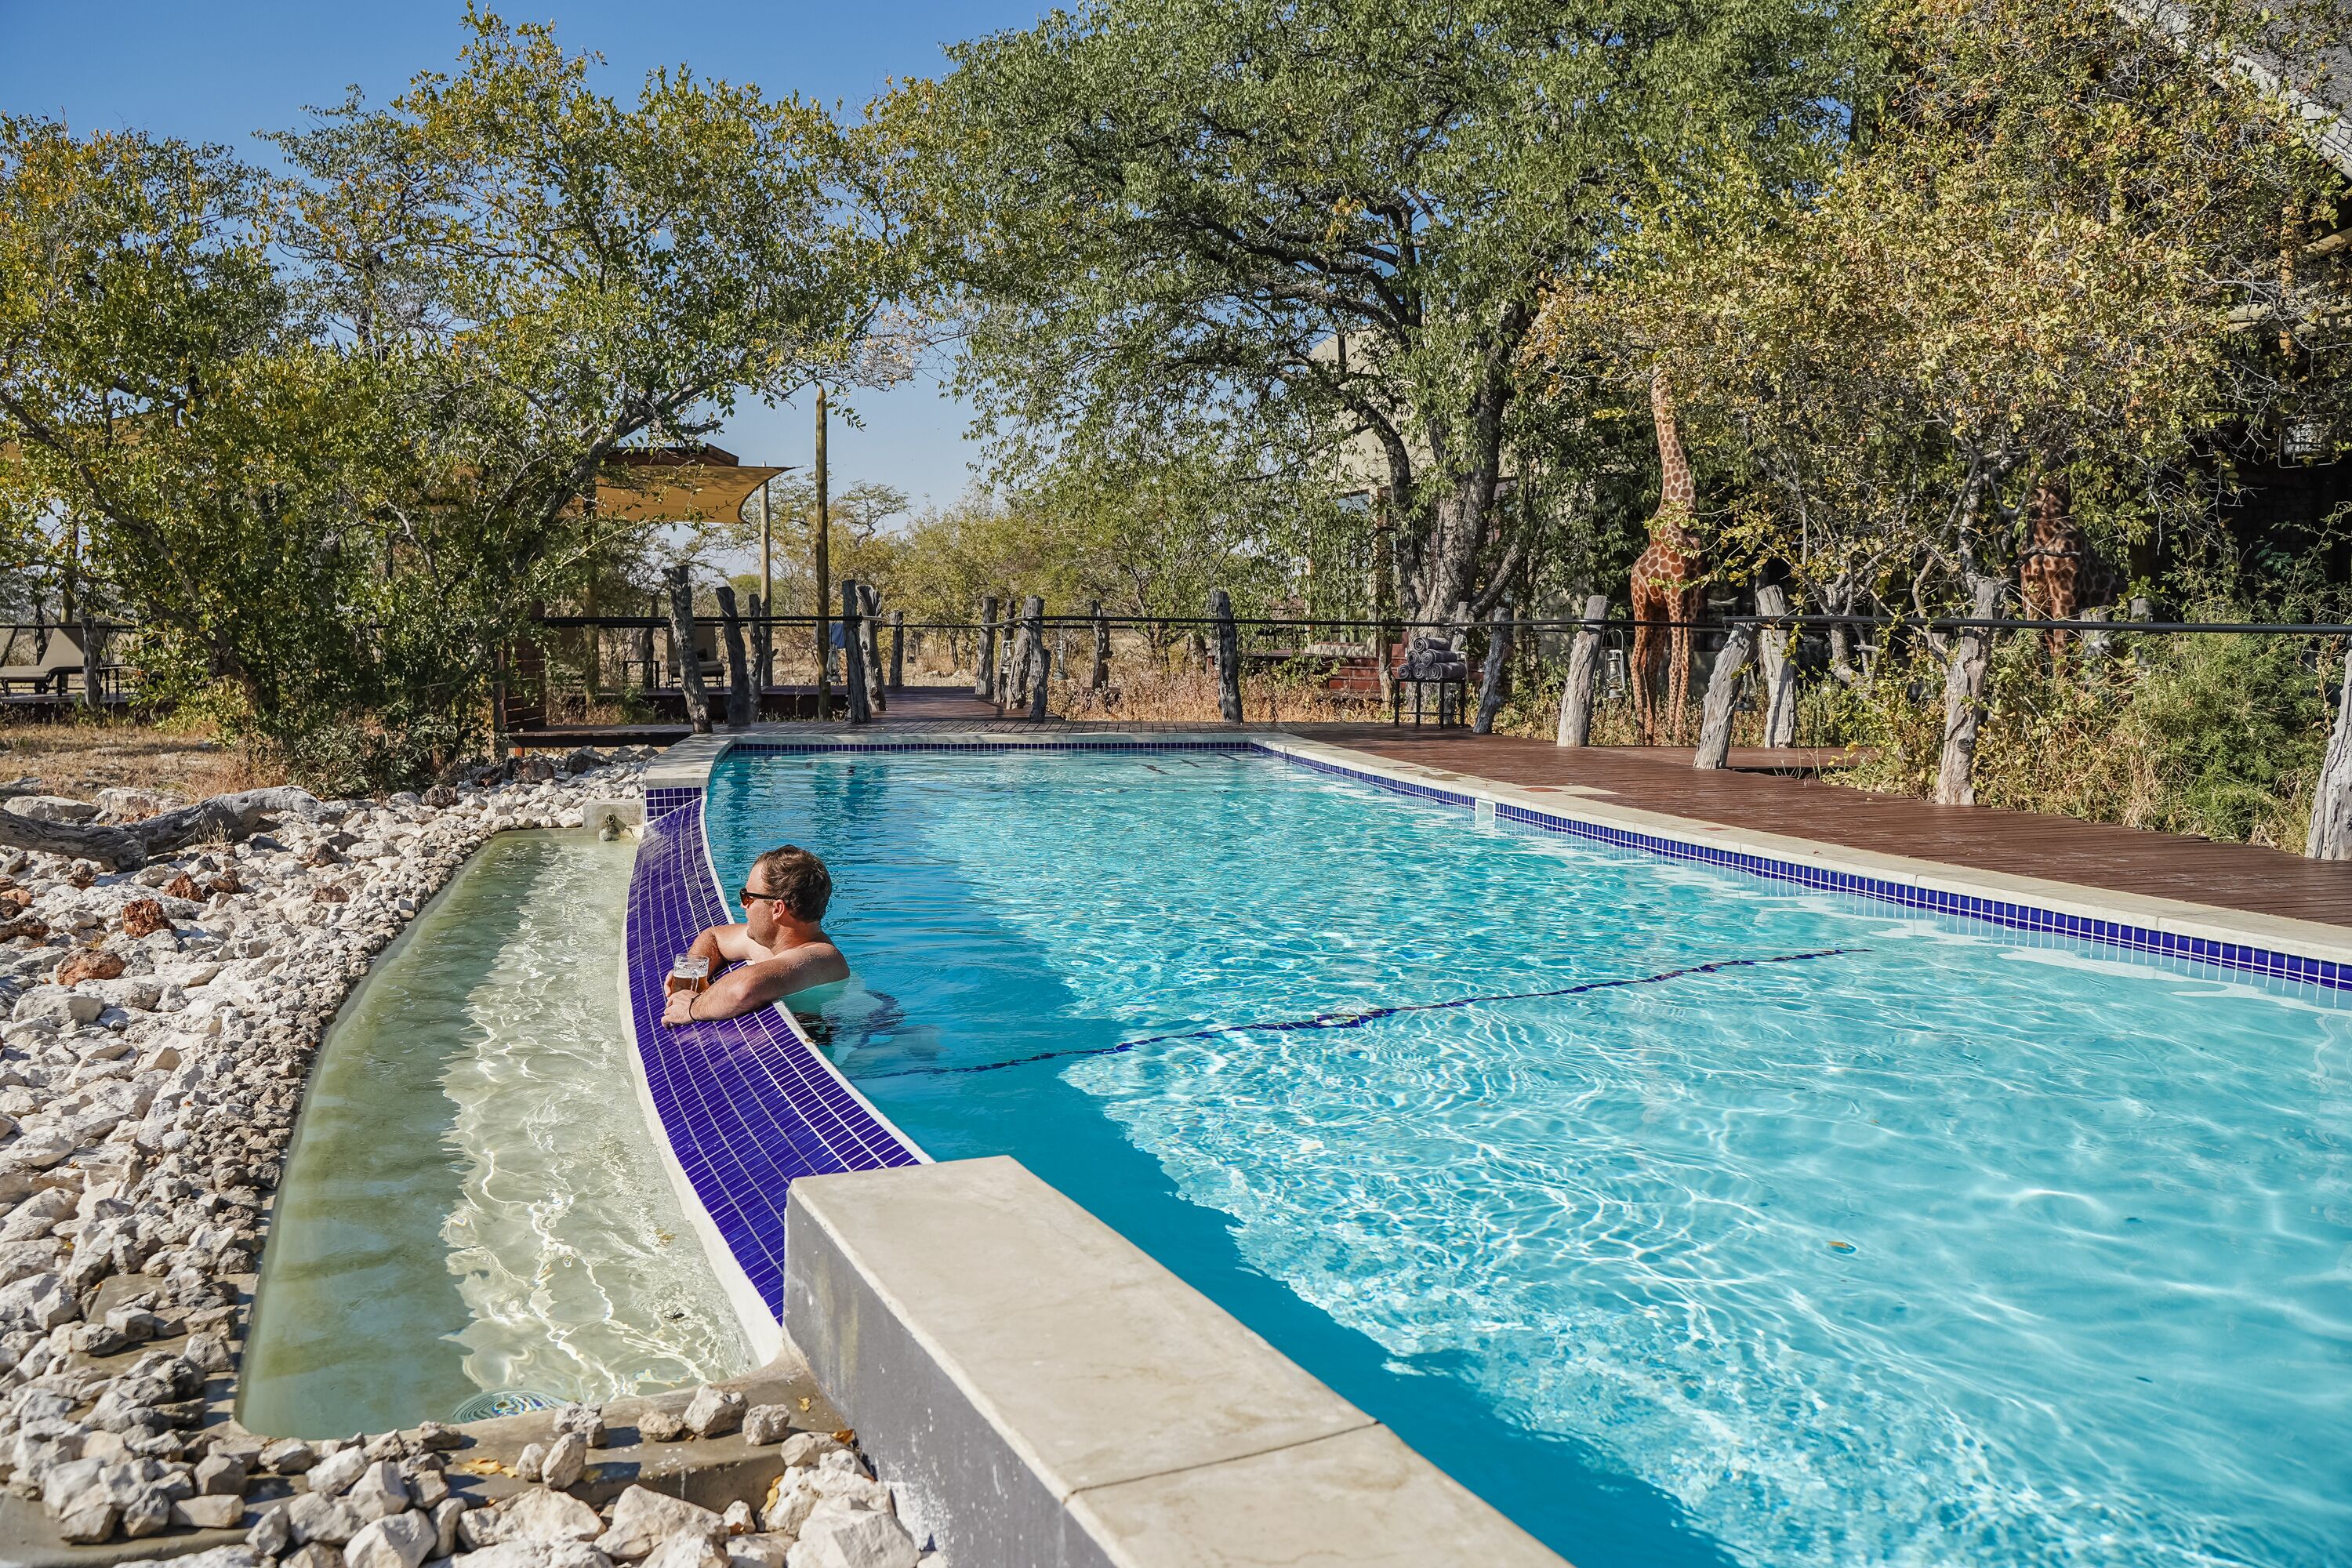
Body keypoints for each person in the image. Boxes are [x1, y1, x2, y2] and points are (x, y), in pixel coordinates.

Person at [662, 844, 851, 1026]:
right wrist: (691, 978)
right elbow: (714, 936)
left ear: (777, 909)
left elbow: (743, 988)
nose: (743, 905)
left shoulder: (820, 959)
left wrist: (693, 1007)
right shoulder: (772, 944)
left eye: (748, 897)